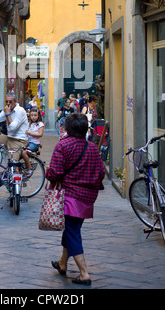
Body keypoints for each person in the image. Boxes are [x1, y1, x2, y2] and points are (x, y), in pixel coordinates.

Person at [46, 113, 105, 286]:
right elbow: (101, 172)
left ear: (67, 128)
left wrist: (49, 171)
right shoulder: (92, 147)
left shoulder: (63, 146)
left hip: (70, 196)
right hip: (88, 197)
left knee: (73, 232)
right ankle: (62, 263)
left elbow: (55, 173)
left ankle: (84, 273)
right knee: (71, 229)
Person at [0, 92, 29, 162]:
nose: (8, 103)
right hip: (9, 138)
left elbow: (13, 127)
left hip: (19, 140)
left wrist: (8, 114)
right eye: (6, 101)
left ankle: (15, 171)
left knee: (12, 163)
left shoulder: (20, 111)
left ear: (15, 102)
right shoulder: (7, 110)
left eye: (10, 102)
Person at [22, 108, 45, 177]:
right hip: (27, 142)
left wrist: (30, 133)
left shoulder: (40, 124)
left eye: (35, 115)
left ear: (38, 116)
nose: (33, 117)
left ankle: (30, 168)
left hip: (34, 143)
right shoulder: (29, 123)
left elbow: (40, 134)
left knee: (24, 152)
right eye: (31, 115)